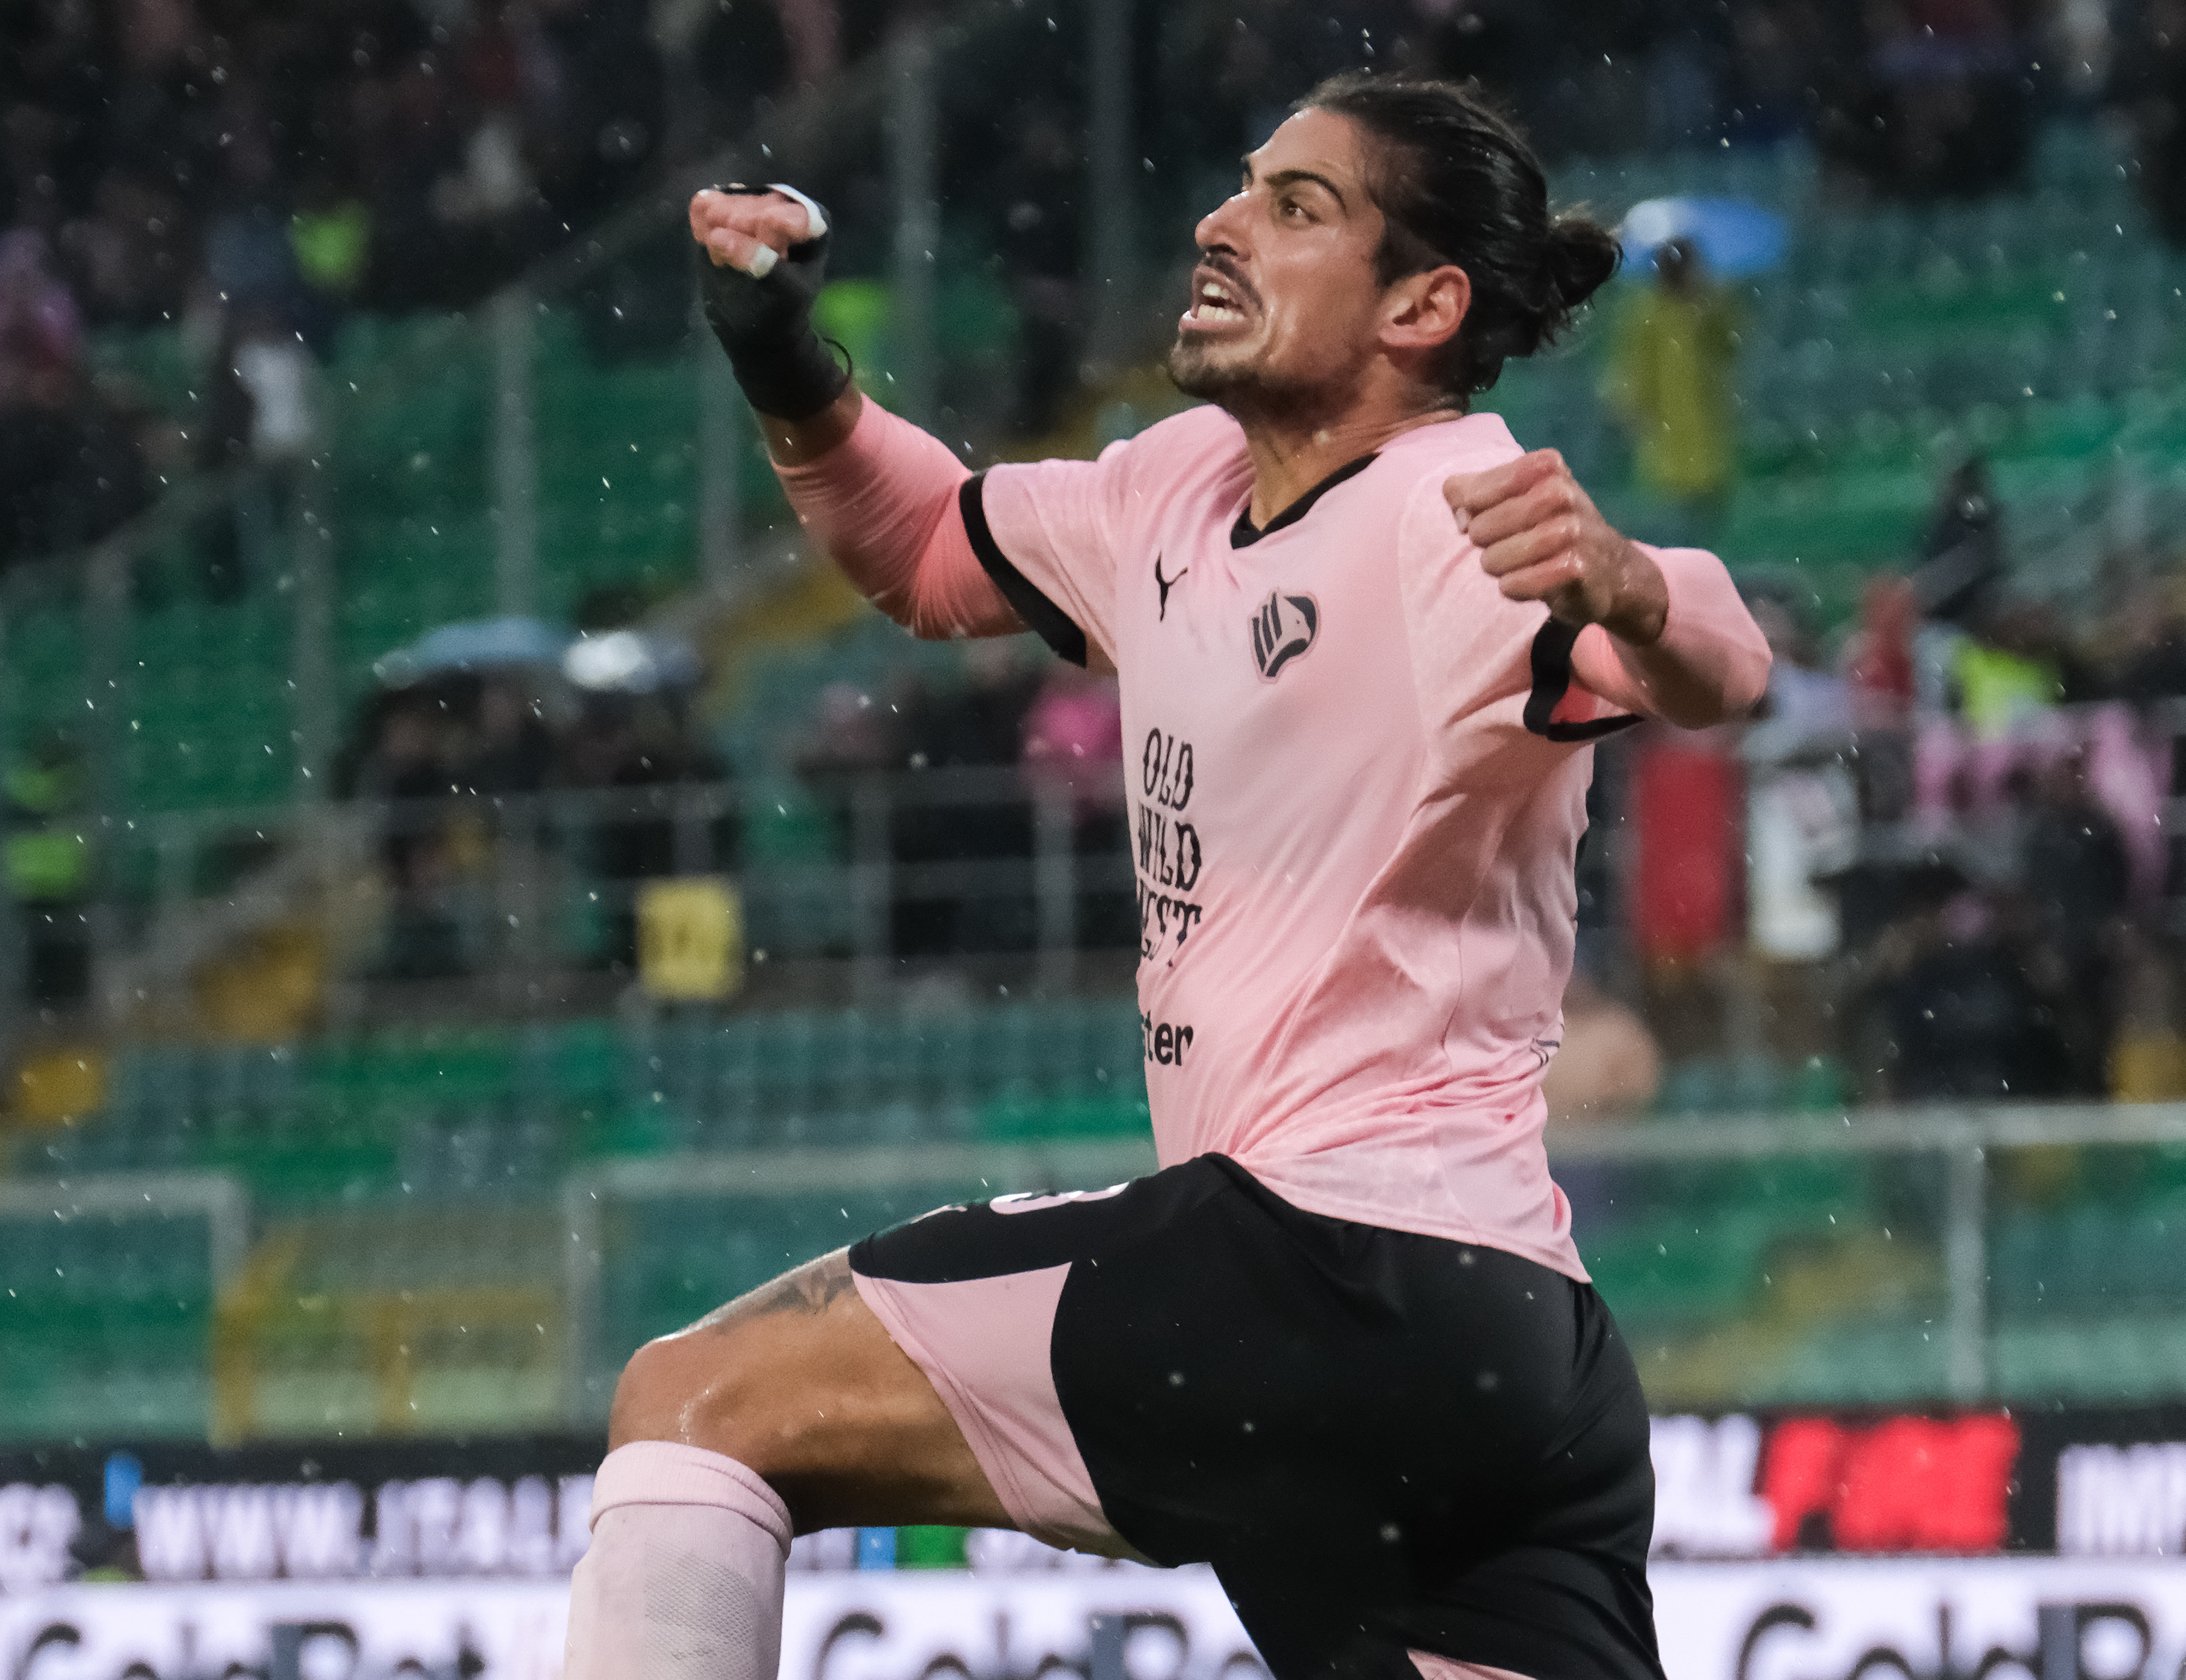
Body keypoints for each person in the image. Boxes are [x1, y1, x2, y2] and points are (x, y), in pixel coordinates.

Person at [562, 74, 1771, 1680]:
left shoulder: (1446, 516)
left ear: (1420, 305)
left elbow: (1724, 660)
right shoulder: (1176, 487)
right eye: (1242, 186)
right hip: (1506, 1359)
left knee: (692, 1400)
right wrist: (780, 351)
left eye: (1295, 207)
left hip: (1327, 1266)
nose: (1221, 223)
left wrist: (1633, 584)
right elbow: (924, 548)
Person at [1602, 236, 1738, 543]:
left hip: (1704, 447)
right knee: (1672, 532)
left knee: (1700, 533)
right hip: (1668, 450)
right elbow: (1633, 373)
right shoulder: (1648, 313)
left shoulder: (1707, 309)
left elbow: (1730, 347)